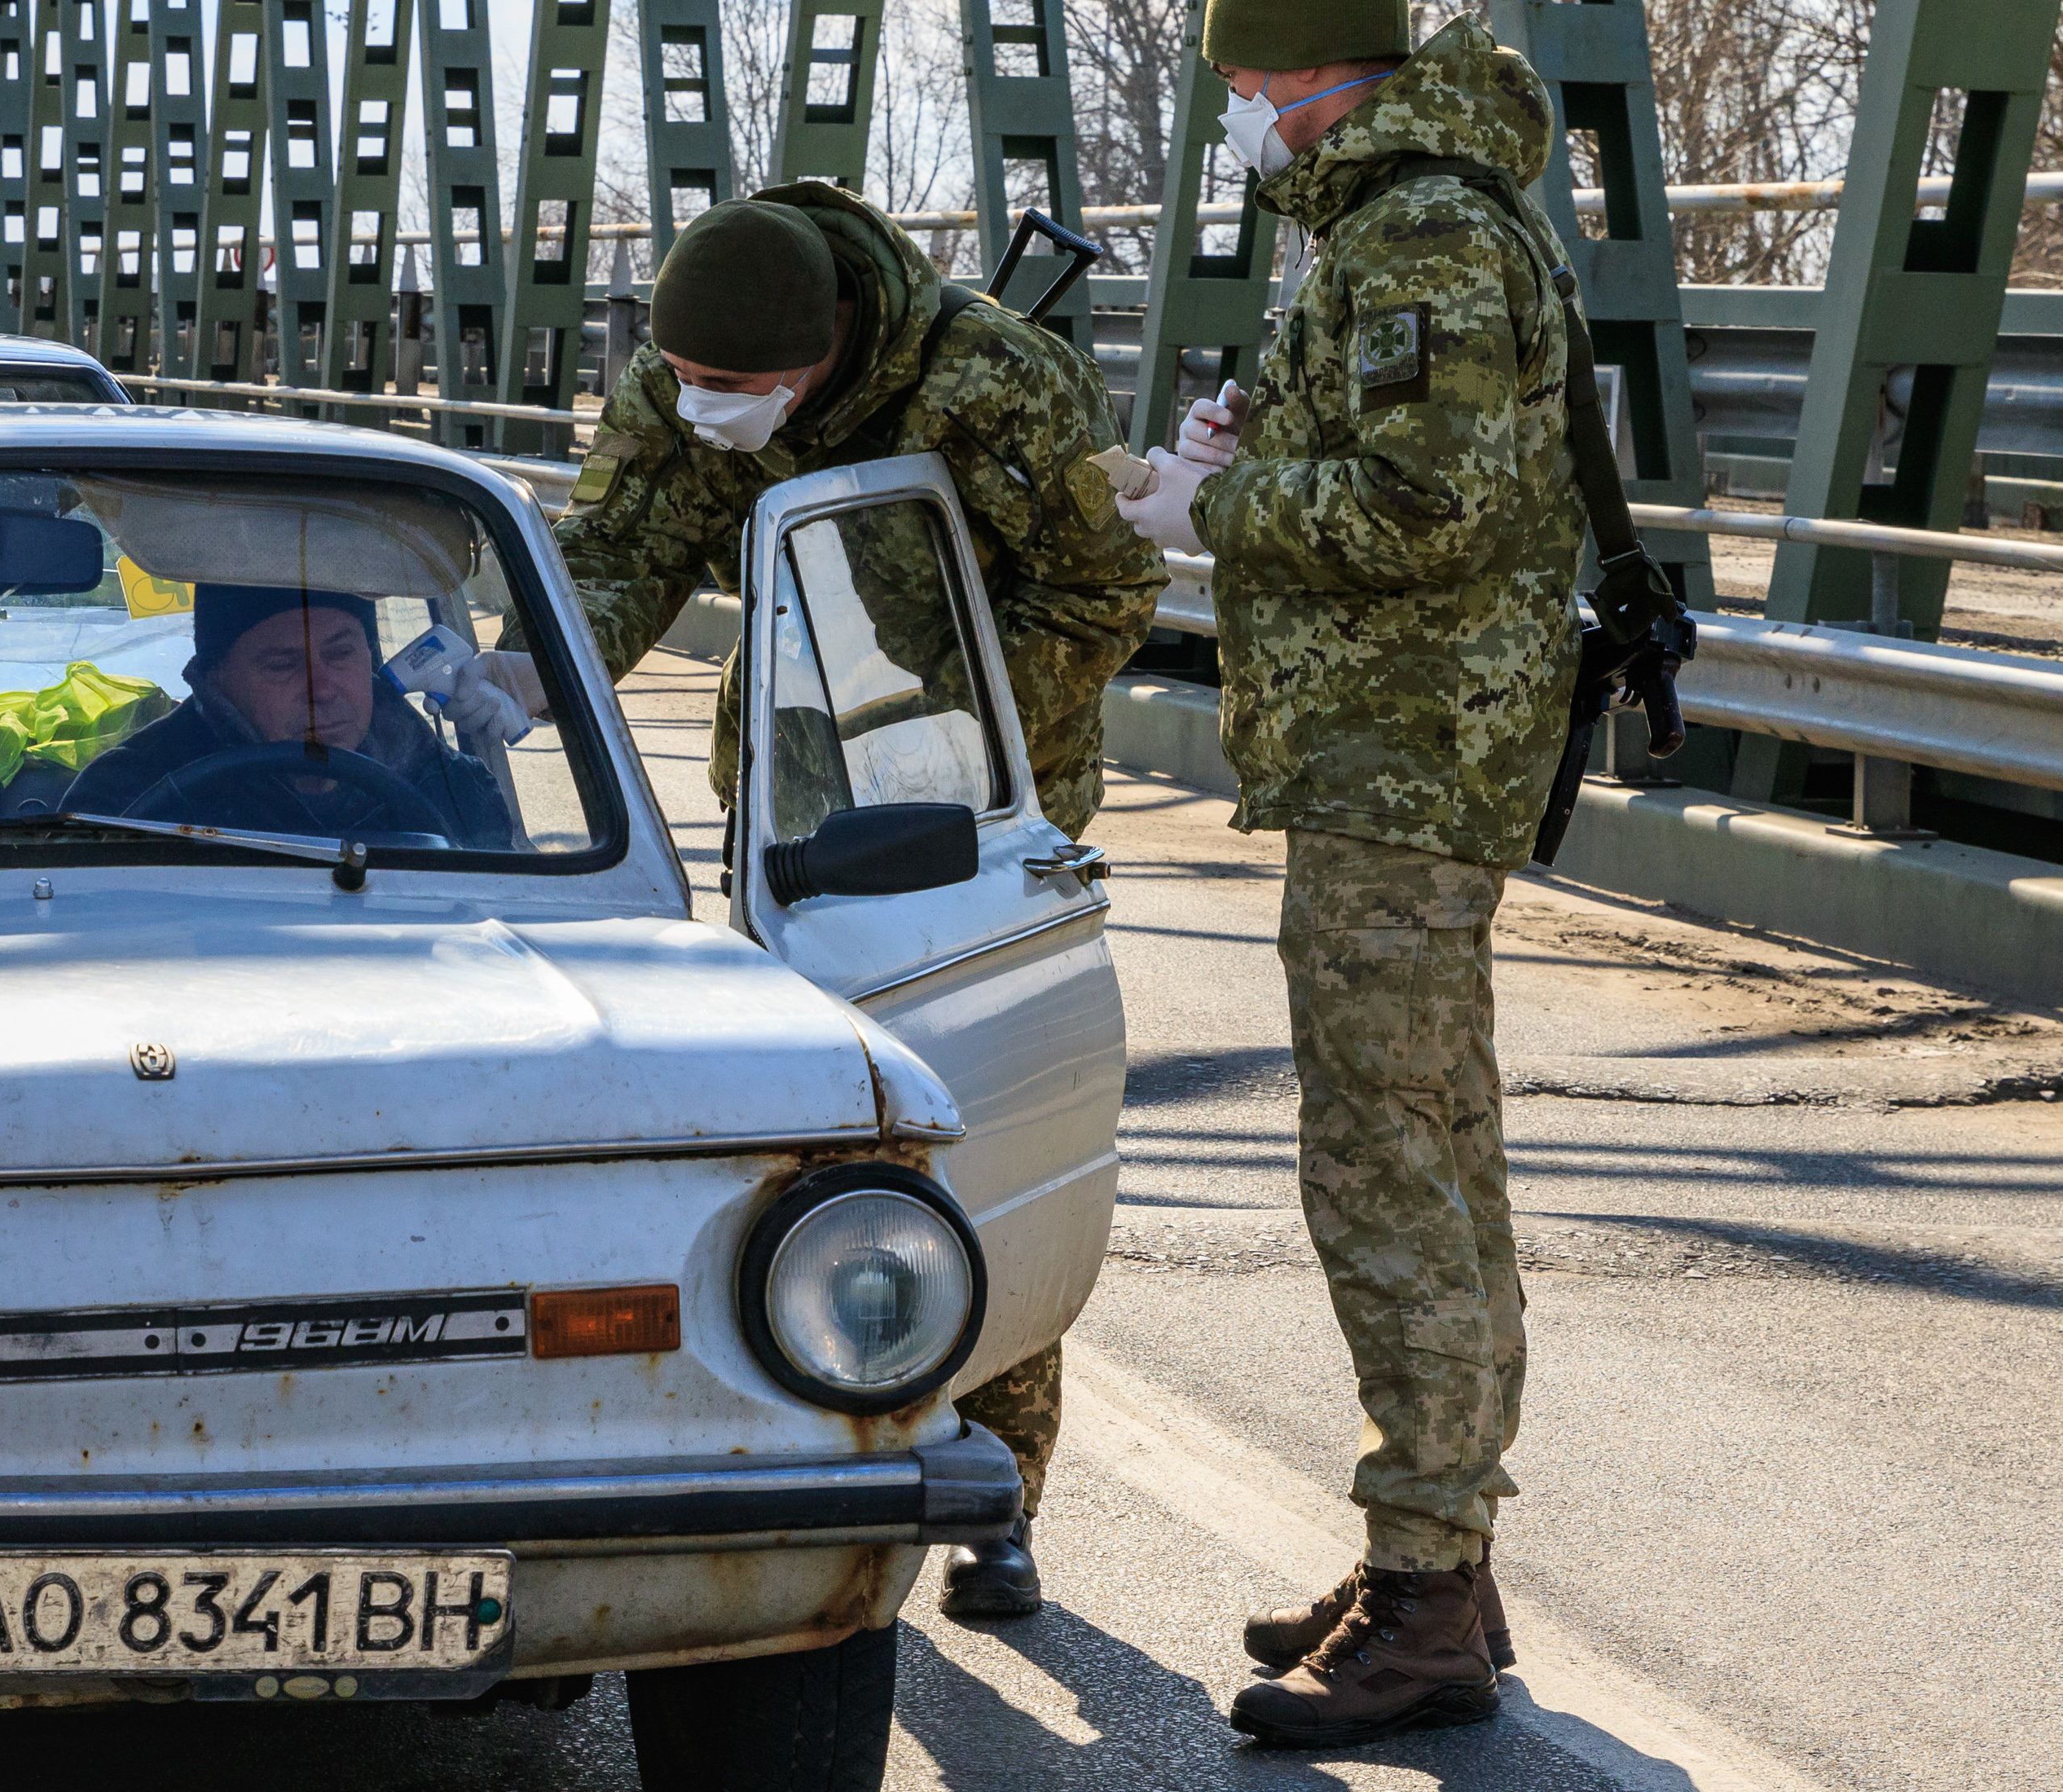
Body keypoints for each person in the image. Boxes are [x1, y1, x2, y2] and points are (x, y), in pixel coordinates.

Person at [552, 179, 1167, 1622]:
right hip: (792, 793)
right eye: (683, 380)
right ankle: (803, 1414)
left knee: (968, 1121)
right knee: (813, 1123)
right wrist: (514, 681)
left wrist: (956, 732)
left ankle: (997, 1485)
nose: (701, 407)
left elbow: (1102, 587)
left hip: (980, 801)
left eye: (733, 388)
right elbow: (616, 549)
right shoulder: (685, 377)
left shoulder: (990, 382)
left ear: (823, 345)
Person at [1111, 0, 1581, 1748]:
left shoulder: (1421, 228)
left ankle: (1422, 1601)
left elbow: (1418, 510)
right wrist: (1257, 446)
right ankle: (1437, 1558)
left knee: (1381, 1171)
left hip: (1407, 751)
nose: (1235, 112)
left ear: (1307, 74)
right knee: (1435, 1151)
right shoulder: (1398, 218)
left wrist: (1200, 508)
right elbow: (1395, 464)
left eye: (1239, 83)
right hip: (1389, 748)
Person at [65, 582, 520, 850]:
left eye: (341, 654)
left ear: (370, 657)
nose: (321, 689)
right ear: (217, 682)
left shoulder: (453, 788)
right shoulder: (121, 801)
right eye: (282, 665)